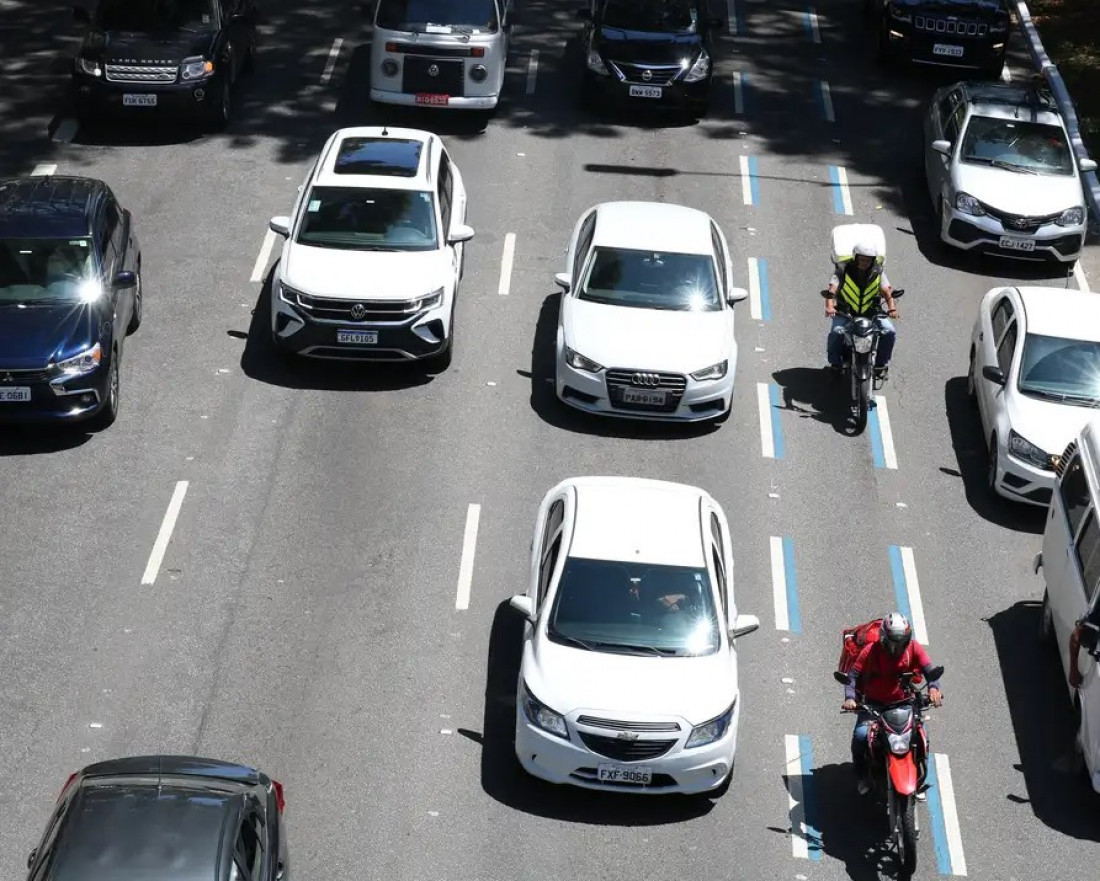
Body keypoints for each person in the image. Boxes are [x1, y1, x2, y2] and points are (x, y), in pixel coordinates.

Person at [842, 612, 942, 796]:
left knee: (922, 736)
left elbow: (929, 670)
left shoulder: (914, 648)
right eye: (893, 642)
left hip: (904, 703)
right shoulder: (870, 651)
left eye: (901, 642)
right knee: (860, 736)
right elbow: (852, 676)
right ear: (883, 638)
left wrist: (934, 689)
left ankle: (918, 778)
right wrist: (850, 698)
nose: (897, 647)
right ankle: (862, 776)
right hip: (873, 706)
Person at [825, 242, 899, 379]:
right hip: (846, 313)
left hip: (872, 313)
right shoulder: (843, 270)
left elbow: (887, 291)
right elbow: (832, 290)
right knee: (836, 332)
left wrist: (892, 308)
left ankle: (881, 365)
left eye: (868, 260)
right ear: (856, 258)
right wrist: (830, 307)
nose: (865, 263)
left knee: (889, 331)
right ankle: (835, 363)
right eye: (862, 259)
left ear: (873, 260)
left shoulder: (878, 272)